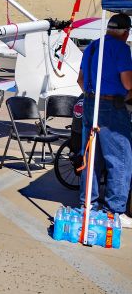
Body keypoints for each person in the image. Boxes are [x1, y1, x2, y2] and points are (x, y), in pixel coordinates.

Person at [77, 13, 132, 228]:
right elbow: (127, 83)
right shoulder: (121, 48)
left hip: (91, 104)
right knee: (119, 159)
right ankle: (114, 212)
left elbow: (80, 79)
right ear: (125, 32)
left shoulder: (92, 47)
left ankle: (87, 205)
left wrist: (94, 96)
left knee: (92, 157)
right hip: (111, 108)